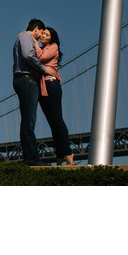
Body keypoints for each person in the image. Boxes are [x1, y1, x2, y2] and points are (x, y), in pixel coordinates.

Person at [35, 26, 76, 166]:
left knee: (57, 119)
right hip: (42, 87)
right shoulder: (41, 47)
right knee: (52, 122)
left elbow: (40, 57)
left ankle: (68, 152)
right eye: (43, 34)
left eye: (46, 34)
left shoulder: (53, 47)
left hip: (51, 85)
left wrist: (33, 41)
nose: (43, 36)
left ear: (51, 37)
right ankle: (60, 155)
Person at [12, 18, 49, 165]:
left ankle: (30, 158)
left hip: (24, 80)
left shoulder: (23, 37)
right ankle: (32, 159)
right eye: (41, 33)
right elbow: (28, 55)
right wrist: (44, 68)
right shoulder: (26, 36)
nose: (40, 37)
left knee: (27, 121)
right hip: (27, 80)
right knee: (29, 122)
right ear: (36, 29)